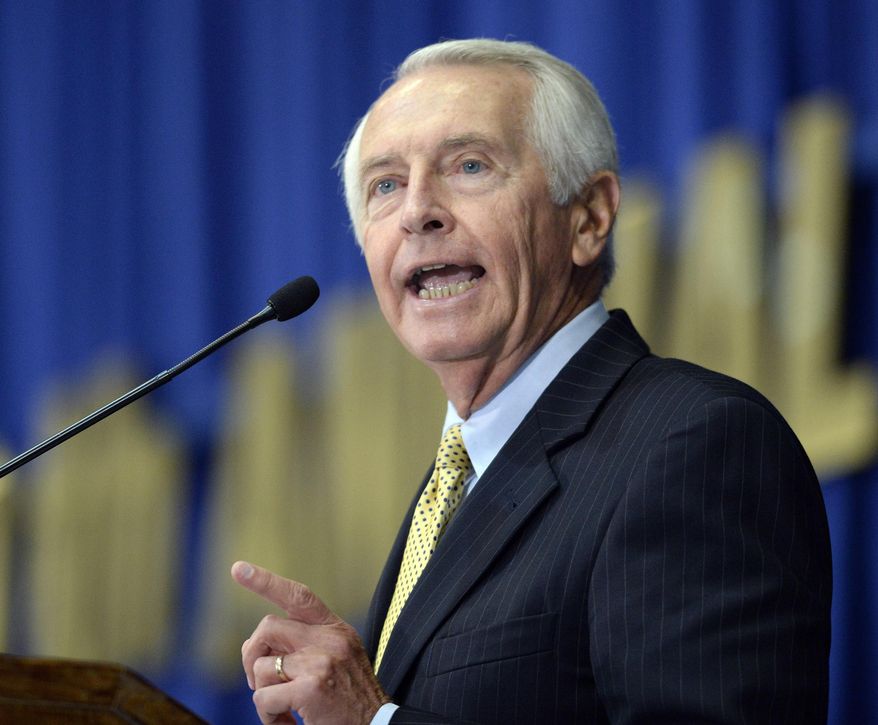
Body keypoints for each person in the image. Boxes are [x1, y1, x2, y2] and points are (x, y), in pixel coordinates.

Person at [232, 38, 832, 724]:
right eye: (386, 184)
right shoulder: (455, 483)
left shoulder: (696, 443)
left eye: (469, 165)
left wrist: (374, 720)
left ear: (590, 218)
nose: (416, 211)